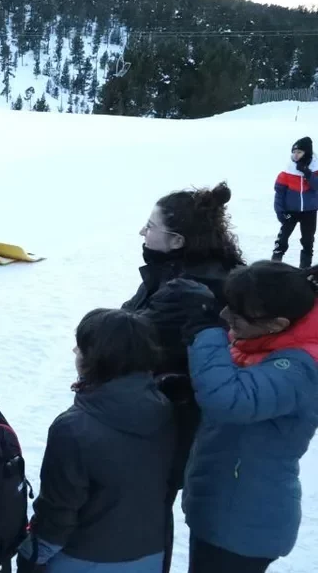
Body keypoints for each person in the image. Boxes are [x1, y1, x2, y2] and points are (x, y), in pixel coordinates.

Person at [157, 261, 318, 573]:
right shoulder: (265, 342)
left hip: (245, 523)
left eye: (237, 313)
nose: (224, 316)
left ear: (275, 323)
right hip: (222, 507)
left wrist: (205, 334)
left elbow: (230, 400)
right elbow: (234, 383)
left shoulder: (302, 366)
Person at [121, 181, 243, 571]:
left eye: (150, 226)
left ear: (176, 240)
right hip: (169, 414)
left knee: (147, 510)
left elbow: (128, 337)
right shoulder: (181, 269)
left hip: (173, 422)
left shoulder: (191, 288)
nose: (143, 232)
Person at [17, 309, 176, 573]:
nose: (74, 352)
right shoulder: (166, 408)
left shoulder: (73, 428)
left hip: (83, 559)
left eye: (80, 348)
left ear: (95, 359)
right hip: (148, 554)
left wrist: (31, 555)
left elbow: (58, 512)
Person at [273, 136, 318, 267]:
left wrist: (307, 173)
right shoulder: (287, 171)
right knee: (281, 240)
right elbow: (279, 194)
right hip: (290, 211)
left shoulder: (315, 170)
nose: (296, 155)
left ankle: (305, 271)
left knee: (308, 241)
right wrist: (280, 212)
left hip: (309, 212)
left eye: (299, 152)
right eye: (294, 152)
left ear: (307, 152)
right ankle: (273, 267)